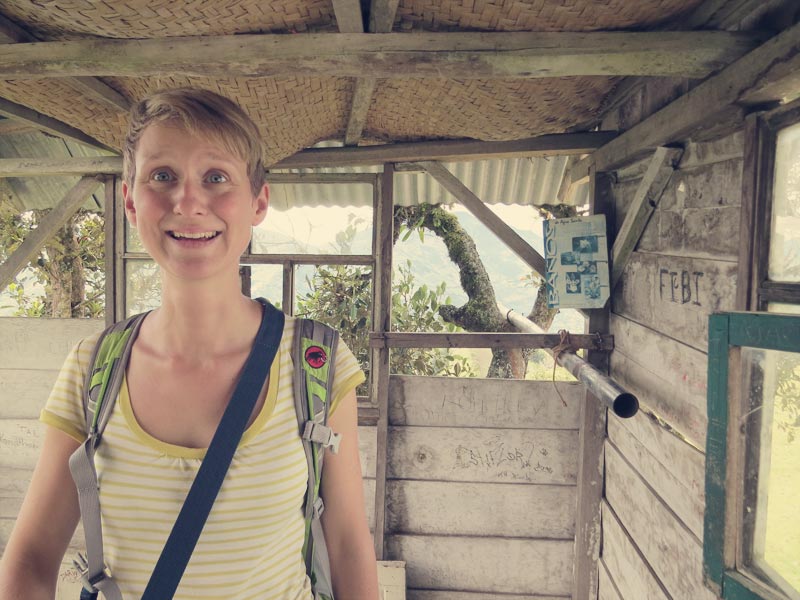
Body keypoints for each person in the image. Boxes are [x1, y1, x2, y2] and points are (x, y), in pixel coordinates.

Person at [0, 88, 379, 599]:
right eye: (162, 176)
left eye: (216, 177)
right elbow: (30, 559)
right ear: (131, 201)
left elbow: (350, 543)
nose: (188, 202)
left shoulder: (317, 363)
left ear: (258, 201)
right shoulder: (93, 370)